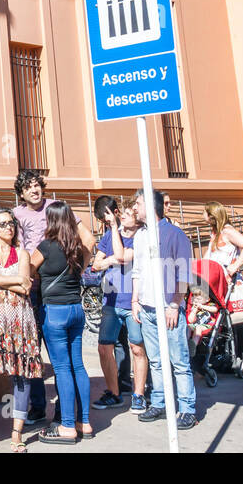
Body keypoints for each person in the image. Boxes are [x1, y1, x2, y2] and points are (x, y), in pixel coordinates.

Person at [0, 207, 42, 452]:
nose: (9, 227)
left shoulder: (22, 253)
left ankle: (17, 433)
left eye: (11, 223)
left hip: (20, 322)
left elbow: (25, 288)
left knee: (20, 376)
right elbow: (10, 280)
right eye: (3, 224)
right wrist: (15, 280)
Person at [132, 189, 198, 429]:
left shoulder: (175, 234)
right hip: (147, 308)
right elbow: (137, 270)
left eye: (138, 203)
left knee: (179, 361)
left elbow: (184, 275)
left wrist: (174, 304)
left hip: (168, 309)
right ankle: (159, 403)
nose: (134, 208)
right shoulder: (140, 236)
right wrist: (135, 301)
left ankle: (187, 408)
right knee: (156, 361)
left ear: (150, 206)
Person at [34, 200, 95, 444]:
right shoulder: (79, 248)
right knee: (77, 365)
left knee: (61, 368)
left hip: (55, 311)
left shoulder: (46, 246)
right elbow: (84, 267)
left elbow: (28, 269)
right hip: (76, 309)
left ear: (51, 220)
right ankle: (85, 422)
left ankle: (68, 426)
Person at [92, 195, 147, 413]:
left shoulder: (141, 237)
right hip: (111, 301)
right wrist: (111, 259)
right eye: (120, 216)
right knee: (104, 347)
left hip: (133, 301)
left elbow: (123, 257)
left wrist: (116, 256)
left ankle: (139, 395)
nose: (121, 217)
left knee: (136, 348)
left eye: (125, 215)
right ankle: (113, 393)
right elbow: (96, 264)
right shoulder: (108, 236)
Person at [11, 169, 54, 426]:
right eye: (29, 187)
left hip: (54, 284)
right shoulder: (16, 215)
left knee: (57, 349)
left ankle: (66, 409)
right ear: (22, 193)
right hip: (31, 286)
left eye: (37, 185)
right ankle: (38, 407)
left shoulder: (55, 207)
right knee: (32, 349)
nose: (34, 190)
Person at [203, 201, 243, 280]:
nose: (202, 215)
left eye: (204, 212)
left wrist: (235, 265)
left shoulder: (227, 231)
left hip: (229, 280)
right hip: (217, 278)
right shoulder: (216, 232)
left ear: (211, 215)